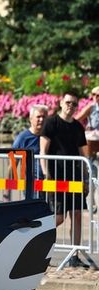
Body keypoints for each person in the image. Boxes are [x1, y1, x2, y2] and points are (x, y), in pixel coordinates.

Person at [41, 92, 89, 268]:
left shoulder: (78, 127)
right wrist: (47, 172)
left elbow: (83, 154)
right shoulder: (51, 123)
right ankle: (38, 246)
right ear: (61, 102)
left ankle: (74, 255)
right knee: (59, 217)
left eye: (75, 104)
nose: (71, 106)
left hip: (75, 178)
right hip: (57, 177)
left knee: (76, 215)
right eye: (68, 102)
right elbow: (43, 150)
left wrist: (86, 178)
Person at [12, 104, 48, 180]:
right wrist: (9, 187)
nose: (41, 120)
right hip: (31, 185)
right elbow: (13, 164)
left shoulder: (49, 137)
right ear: (30, 118)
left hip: (50, 184)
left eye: (44, 117)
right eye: (38, 117)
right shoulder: (23, 138)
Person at [73, 85, 99, 159]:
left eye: (97, 95)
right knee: (88, 156)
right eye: (93, 94)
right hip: (93, 134)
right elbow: (78, 118)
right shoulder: (91, 107)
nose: (95, 97)